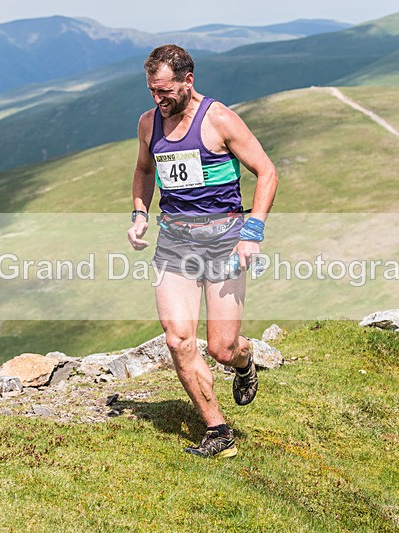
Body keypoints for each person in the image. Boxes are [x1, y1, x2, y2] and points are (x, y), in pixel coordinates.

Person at [127, 45, 278, 457]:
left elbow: (267, 172)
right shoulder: (148, 124)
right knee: (178, 340)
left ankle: (244, 362)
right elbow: (144, 170)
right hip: (174, 242)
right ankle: (218, 431)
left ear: (188, 81)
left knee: (221, 348)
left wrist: (254, 230)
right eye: (152, 91)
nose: (158, 100)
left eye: (165, 91)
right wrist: (140, 212)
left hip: (225, 241)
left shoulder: (220, 119)